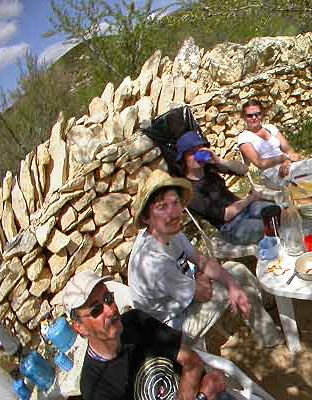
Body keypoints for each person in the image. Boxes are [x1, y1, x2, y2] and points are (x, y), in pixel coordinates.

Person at [128, 169, 283, 349]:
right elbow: (203, 293)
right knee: (231, 283)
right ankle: (270, 336)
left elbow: (201, 260)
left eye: (175, 203)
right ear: (146, 218)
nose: (173, 213)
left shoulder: (169, 231)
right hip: (171, 329)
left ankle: (266, 318)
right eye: (162, 207)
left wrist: (230, 284)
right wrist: (204, 277)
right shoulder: (153, 262)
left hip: (186, 298)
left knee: (236, 271)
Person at [64, 271, 227, 400]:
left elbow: (192, 362)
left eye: (108, 298)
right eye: (96, 310)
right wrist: (201, 397)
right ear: (80, 328)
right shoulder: (96, 387)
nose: (111, 309)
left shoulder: (136, 322)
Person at [177, 130, 274, 245]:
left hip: (245, 209)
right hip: (231, 227)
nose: (197, 154)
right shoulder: (189, 190)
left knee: (275, 212)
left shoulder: (210, 168)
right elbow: (225, 215)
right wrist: (251, 198)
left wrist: (219, 161)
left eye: (200, 149)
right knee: (265, 227)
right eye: (192, 153)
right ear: (183, 158)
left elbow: (243, 169)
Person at [237, 99, 302, 178]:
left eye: (258, 114)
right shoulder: (244, 137)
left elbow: (288, 149)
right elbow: (260, 164)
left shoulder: (270, 128)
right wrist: (285, 158)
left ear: (262, 114)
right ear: (244, 117)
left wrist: (287, 162)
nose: (254, 117)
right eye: (250, 115)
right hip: (269, 172)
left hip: (287, 164)